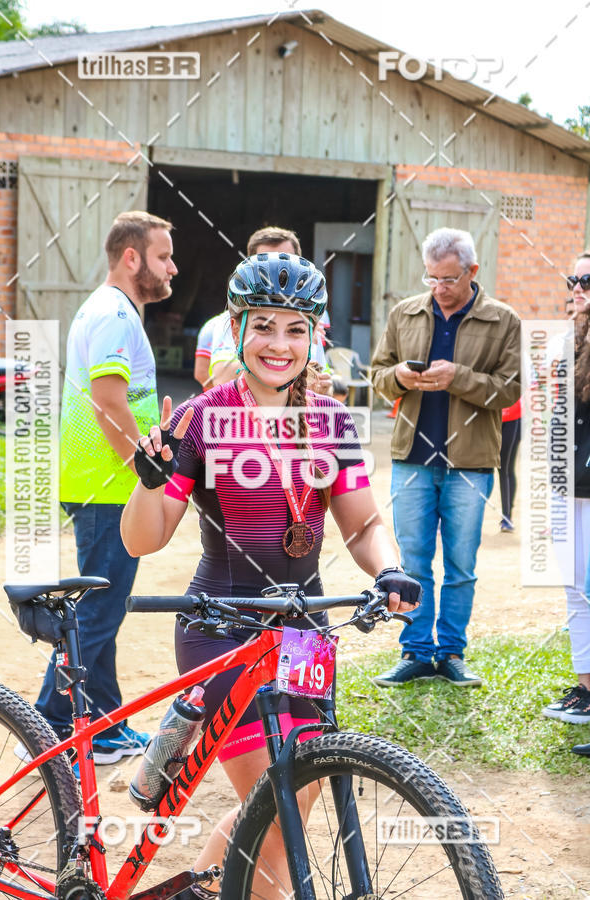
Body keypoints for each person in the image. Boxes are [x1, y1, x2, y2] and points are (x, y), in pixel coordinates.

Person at [120, 252, 421, 897]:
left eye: (294, 329)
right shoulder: (201, 418)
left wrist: (390, 568)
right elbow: (143, 539)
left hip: (303, 631)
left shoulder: (332, 421)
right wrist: (147, 482)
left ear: (314, 337)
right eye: (263, 326)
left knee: (295, 798)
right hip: (222, 628)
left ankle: (203, 888)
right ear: (236, 329)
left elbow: (364, 525)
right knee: (276, 802)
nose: (278, 344)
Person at [32, 211, 177, 763]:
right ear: (132, 257)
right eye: (163, 256)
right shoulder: (116, 315)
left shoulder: (108, 309)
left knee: (104, 609)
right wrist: (146, 469)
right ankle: (46, 728)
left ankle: (105, 726)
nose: (173, 268)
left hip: (99, 483)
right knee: (96, 613)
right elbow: (109, 401)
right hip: (109, 487)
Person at [370, 227, 521, 687]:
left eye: (449, 278)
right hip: (411, 460)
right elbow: (377, 375)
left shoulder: (504, 321)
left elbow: (510, 390)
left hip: (470, 465)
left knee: (460, 567)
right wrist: (399, 376)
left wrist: (459, 377)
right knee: (413, 565)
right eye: (431, 277)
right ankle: (415, 652)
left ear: (473, 271)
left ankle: (452, 653)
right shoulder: (404, 313)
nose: (439, 287)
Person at [543, 252, 590, 742]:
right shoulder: (565, 340)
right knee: (575, 587)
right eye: (573, 279)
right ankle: (586, 688)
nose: (578, 287)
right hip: (568, 483)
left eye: (588, 280)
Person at [209, 226, 331, 390]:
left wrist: (325, 389)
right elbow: (220, 378)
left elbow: (325, 379)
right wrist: (296, 374)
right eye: (263, 327)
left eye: (286, 259)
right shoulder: (233, 318)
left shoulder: (311, 313)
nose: (278, 269)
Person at [498, 398, 521, 532]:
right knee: (481, 468)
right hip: (489, 417)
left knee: (505, 469)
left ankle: (506, 517)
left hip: (513, 418)